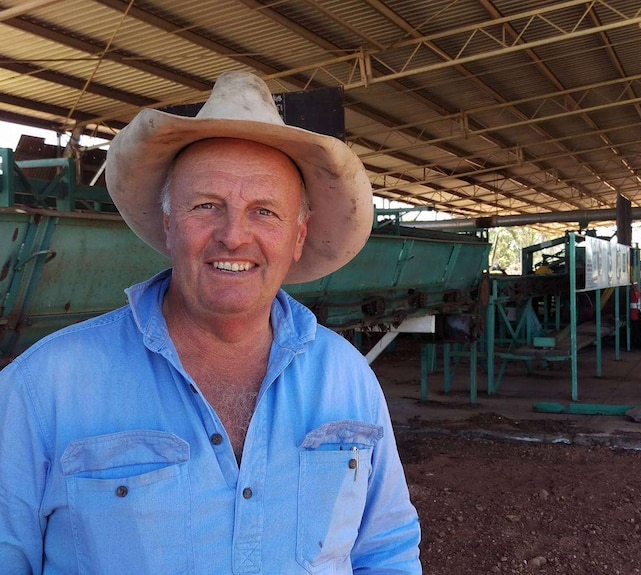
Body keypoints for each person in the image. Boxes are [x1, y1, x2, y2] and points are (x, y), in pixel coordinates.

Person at [0, 71, 421, 574]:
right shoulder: (42, 386)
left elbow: (386, 550)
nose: (234, 237)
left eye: (264, 211)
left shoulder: (347, 379)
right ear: (169, 223)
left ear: (299, 237)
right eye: (206, 206)